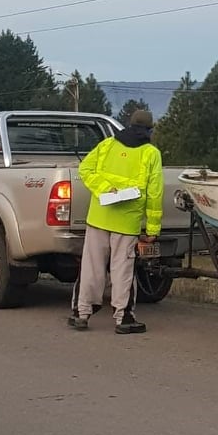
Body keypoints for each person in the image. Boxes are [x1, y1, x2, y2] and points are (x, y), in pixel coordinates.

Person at [73, 109, 164, 334]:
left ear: (128, 124)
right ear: (150, 129)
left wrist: (105, 189)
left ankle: (81, 313)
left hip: (99, 217)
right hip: (126, 222)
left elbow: (84, 169)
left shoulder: (107, 145)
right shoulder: (151, 154)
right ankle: (123, 318)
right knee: (122, 270)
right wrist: (152, 229)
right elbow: (154, 195)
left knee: (91, 267)